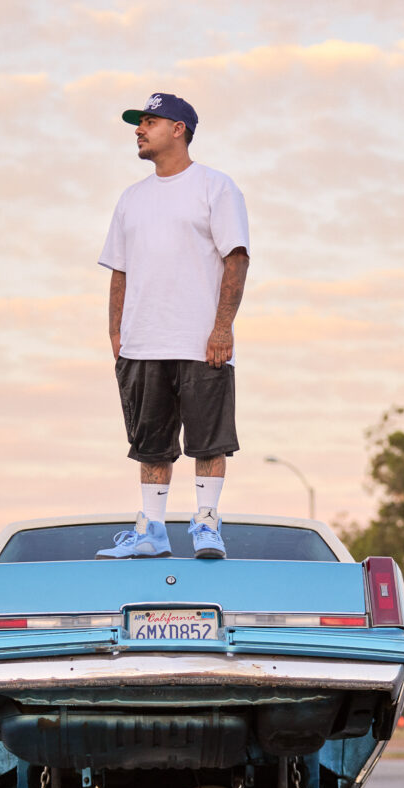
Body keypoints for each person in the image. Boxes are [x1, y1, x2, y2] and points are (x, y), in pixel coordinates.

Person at [96, 93, 250, 560]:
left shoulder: (215, 187)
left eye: (148, 122)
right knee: (151, 445)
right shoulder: (131, 198)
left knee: (208, 439)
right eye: (138, 123)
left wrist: (222, 328)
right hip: (142, 342)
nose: (138, 130)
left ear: (178, 128)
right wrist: (116, 333)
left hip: (200, 340)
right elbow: (119, 269)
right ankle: (152, 532)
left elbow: (236, 258)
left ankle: (205, 523)